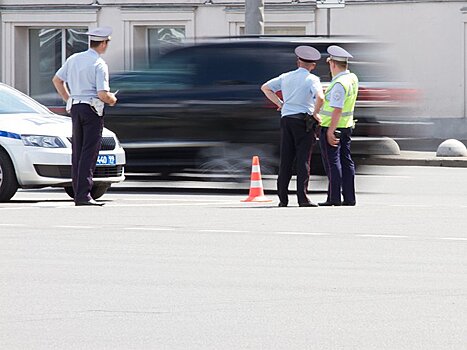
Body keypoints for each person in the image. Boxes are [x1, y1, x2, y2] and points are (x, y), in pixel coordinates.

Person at [52, 27, 118, 206]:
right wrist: (112, 100)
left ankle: (78, 193)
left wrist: (69, 99)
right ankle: (83, 195)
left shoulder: (74, 59)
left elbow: (57, 80)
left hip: (76, 107)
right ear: (103, 43)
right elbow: (103, 94)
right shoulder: (99, 64)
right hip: (92, 109)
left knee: (78, 152)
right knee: (90, 152)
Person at [261, 46, 324, 207]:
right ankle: (302, 198)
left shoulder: (285, 77)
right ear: (313, 65)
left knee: (286, 159)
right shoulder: (312, 79)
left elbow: (265, 87)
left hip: (287, 119)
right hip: (304, 121)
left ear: (298, 62)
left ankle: (283, 198)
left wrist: (280, 104)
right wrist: (316, 113)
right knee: (303, 159)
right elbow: (321, 97)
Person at [318, 45, 359, 206]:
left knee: (332, 163)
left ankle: (333, 198)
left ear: (333, 64)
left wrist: (330, 131)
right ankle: (349, 198)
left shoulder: (339, 84)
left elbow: (337, 109)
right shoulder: (352, 78)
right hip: (347, 126)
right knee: (346, 161)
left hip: (333, 127)